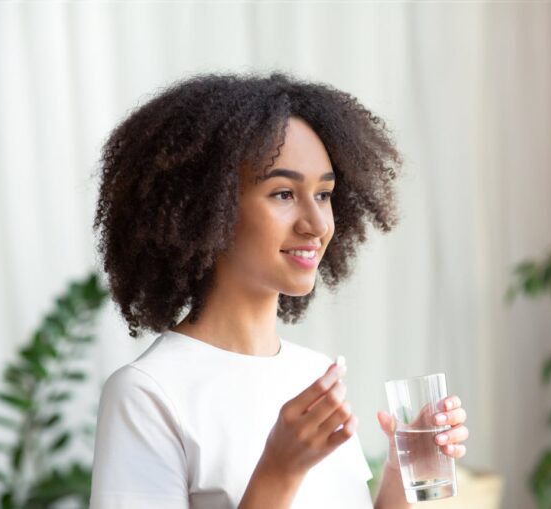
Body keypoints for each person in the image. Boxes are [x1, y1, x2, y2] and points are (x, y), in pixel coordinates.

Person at [90, 71, 469, 509]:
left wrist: (403, 474)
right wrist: (279, 471)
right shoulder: (147, 394)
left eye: (324, 194)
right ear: (207, 208)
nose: (318, 224)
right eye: (284, 193)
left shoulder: (314, 373)